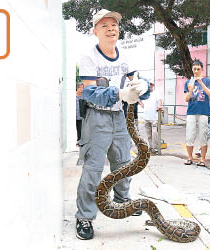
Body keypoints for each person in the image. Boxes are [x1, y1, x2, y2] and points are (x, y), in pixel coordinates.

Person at [75, 9, 150, 240]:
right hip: (96, 118)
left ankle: (122, 199)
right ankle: (85, 216)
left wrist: (143, 87)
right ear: (95, 31)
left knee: (123, 162)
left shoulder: (126, 56)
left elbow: (135, 81)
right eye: (105, 25)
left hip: (120, 118)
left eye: (114, 25)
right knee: (93, 168)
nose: (111, 29)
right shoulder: (89, 57)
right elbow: (89, 92)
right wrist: (119, 93)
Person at [183, 59, 210, 166]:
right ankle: (190, 157)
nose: (196, 71)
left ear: (202, 69)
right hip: (191, 112)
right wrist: (190, 90)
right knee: (189, 136)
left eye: (198, 69)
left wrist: (200, 82)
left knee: (203, 136)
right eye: (194, 69)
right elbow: (186, 99)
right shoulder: (188, 82)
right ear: (192, 69)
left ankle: (202, 159)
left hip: (203, 112)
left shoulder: (207, 81)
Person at [141, 80, 163, 154]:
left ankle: (155, 148)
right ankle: (151, 147)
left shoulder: (156, 93)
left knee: (154, 133)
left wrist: (159, 105)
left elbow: (160, 100)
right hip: (146, 117)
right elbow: (140, 100)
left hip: (154, 117)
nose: (150, 86)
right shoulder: (144, 94)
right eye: (149, 84)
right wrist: (140, 103)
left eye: (151, 85)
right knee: (148, 134)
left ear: (153, 85)